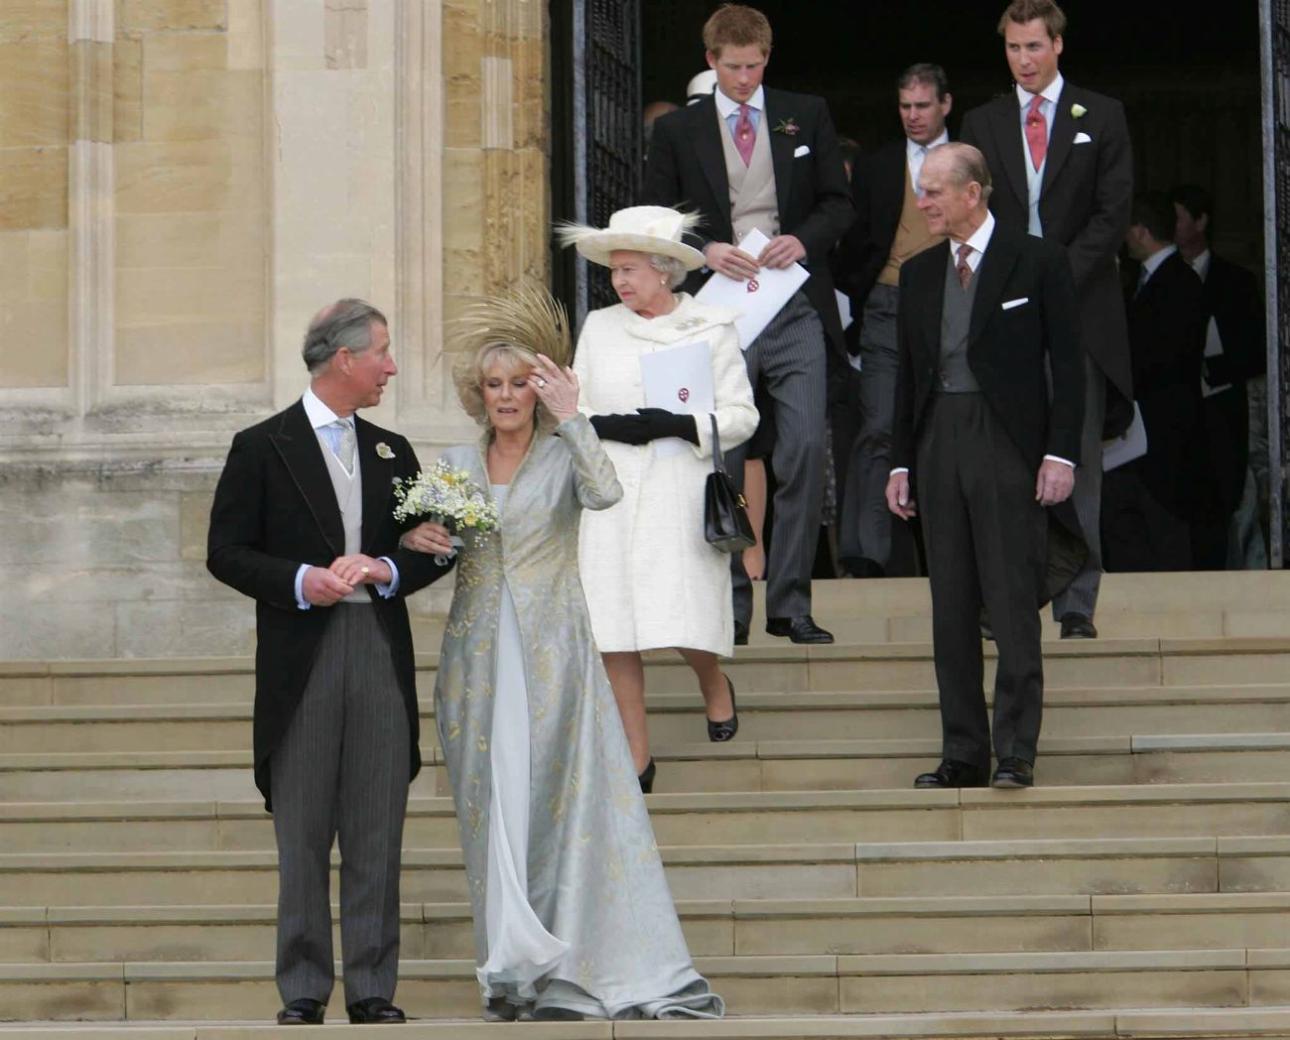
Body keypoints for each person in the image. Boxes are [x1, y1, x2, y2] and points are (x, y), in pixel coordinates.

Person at [418, 286, 723, 1021]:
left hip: (555, 657)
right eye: (494, 386)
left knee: (554, 808)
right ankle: (507, 975)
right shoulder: (453, 462)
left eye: (519, 384)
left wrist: (575, 412)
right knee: (491, 814)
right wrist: (412, 538)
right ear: (478, 394)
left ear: (539, 389)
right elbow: (433, 543)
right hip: (477, 663)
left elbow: (606, 491)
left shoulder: (563, 453)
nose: (506, 398)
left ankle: (567, 966)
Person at [206, 299, 455, 1026]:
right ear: (343, 359)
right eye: (382, 352)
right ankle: (305, 987)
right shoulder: (262, 446)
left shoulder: (393, 450)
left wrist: (387, 566)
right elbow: (225, 552)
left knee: (379, 824)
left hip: (377, 649)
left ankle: (374, 986)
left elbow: (427, 546)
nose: (392, 366)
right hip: (302, 654)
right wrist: (299, 582)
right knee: (305, 831)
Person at [643, 3, 853, 646]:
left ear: (767, 58)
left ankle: (790, 603)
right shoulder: (679, 130)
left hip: (793, 305)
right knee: (725, 458)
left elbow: (838, 203)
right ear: (710, 61)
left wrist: (803, 240)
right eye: (732, 67)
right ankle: (730, 605)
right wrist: (703, 250)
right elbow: (658, 216)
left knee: (805, 449)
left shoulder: (804, 111)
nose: (744, 78)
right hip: (719, 312)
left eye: (754, 65)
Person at [886, 144, 1084, 790]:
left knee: (1010, 596)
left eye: (935, 191)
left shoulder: (1038, 262)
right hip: (938, 437)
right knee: (951, 604)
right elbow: (907, 377)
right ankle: (963, 753)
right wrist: (899, 463)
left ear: (973, 193)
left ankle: (1016, 751)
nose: (924, 203)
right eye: (922, 191)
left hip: (1006, 442)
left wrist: (1060, 452)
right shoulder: (915, 274)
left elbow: (1070, 367)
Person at [559, 205, 758, 790]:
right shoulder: (599, 326)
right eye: (615, 270)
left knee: (680, 618)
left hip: (678, 487)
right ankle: (637, 758)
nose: (621, 281)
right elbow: (576, 401)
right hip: (612, 491)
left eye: (632, 270)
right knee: (615, 629)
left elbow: (743, 416)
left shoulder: (713, 326)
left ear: (665, 270)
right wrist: (606, 425)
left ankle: (713, 682)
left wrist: (678, 424)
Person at [960, 0, 1133, 639]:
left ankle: (1076, 601)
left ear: (1058, 44)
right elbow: (974, 211)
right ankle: (1006, 594)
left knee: (1075, 453)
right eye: (1013, 49)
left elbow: (1112, 217)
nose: (1024, 60)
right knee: (1004, 455)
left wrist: (1051, 278)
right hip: (1004, 310)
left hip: (1081, 308)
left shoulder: (1103, 114)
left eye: (1034, 47)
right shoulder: (982, 119)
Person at [837, 62, 952, 579]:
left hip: (954, 302)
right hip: (886, 302)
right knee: (879, 424)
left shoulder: (969, 162)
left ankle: (957, 555)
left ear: (945, 105)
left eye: (923, 105)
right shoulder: (878, 165)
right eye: (905, 106)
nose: (913, 116)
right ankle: (867, 554)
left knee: (952, 424)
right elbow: (856, 239)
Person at [1102, 192, 1209, 572]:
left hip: (1166, 430)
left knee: (1165, 529)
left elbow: (1164, 353)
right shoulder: (1141, 282)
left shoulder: (1179, 281)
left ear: (1141, 231)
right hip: (1137, 435)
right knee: (1128, 527)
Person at [1172, 183, 1268, 568]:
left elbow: (1257, 349)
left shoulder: (1236, 281)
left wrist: (1214, 369)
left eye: (1178, 218)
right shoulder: (1156, 280)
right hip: (1178, 420)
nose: (1172, 226)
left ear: (1201, 222)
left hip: (1228, 414)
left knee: (1238, 499)